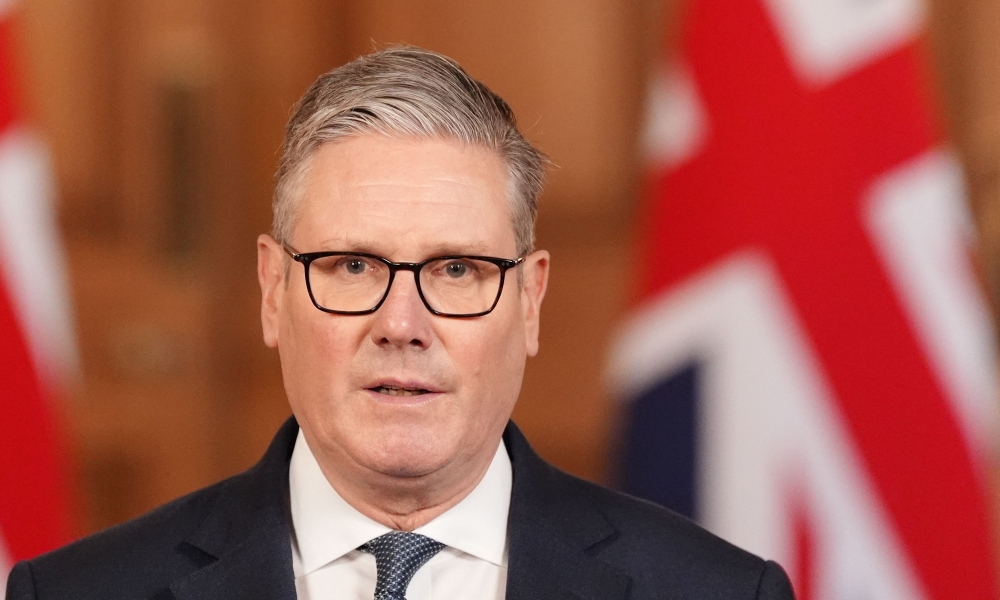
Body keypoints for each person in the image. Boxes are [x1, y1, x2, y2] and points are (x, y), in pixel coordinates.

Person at [6, 46, 795, 600]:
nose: (402, 322)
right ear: (273, 290)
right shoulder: (74, 592)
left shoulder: (717, 592)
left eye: (457, 269)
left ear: (531, 303)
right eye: (353, 266)